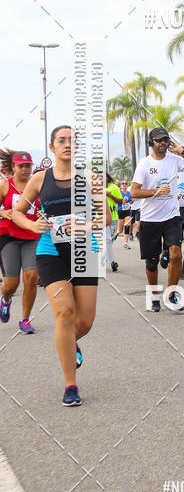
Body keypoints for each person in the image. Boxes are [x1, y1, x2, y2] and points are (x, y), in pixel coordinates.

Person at [12, 126, 101, 406]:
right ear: (52, 147)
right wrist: (31, 225)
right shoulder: (39, 179)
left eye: (72, 140)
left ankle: (70, 342)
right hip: (50, 250)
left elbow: (106, 218)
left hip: (85, 251)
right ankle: (70, 385)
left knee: (84, 322)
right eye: (61, 140)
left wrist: (86, 226)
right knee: (64, 312)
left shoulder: (90, 177)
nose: (67, 144)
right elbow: (18, 211)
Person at [130, 127, 184, 312]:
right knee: (151, 262)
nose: (163, 143)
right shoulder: (144, 164)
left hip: (172, 216)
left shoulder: (175, 160)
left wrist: (182, 151)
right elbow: (134, 192)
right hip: (150, 219)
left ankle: (171, 294)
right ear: (151, 142)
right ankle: (154, 295)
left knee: (176, 254)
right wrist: (156, 192)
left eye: (165, 140)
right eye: (159, 140)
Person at [0, 151, 40, 332]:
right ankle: (6, 299)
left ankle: (25, 319)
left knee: (31, 277)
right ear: (13, 167)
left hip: (32, 235)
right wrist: (3, 212)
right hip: (9, 236)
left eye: (27, 166)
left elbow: (44, 207)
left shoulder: (37, 184)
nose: (24, 169)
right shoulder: (5, 185)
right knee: (11, 285)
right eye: (21, 166)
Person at [105, 173, 122, 272]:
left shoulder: (114, 187)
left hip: (114, 218)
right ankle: (113, 263)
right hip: (101, 218)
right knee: (107, 240)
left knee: (110, 240)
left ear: (107, 178)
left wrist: (110, 195)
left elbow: (120, 201)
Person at [117, 181, 132, 246]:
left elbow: (131, 201)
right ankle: (112, 237)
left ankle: (125, 243)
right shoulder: (118, 192)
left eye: (126, 183)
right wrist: (120, 201)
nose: (124, 185)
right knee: (120, 230)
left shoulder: (129, 193)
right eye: (122, 183)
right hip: (120, 211)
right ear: (120, 186)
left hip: (127, 211)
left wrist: (132, 200)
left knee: (127, 225)